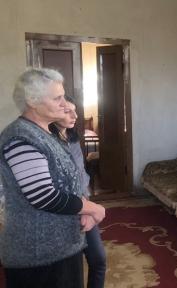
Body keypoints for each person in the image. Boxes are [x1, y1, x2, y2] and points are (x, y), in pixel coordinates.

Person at [0, 68, 106, 288]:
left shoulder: (46, 132)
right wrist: (92, 208)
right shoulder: (22, 137)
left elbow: (67, 181)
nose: (65, 104)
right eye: (57, 98)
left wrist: (84, 207)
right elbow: (44, 196)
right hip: (39, 255)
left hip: (60, 248)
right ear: (32, 100)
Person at [50, 99, 107, 288]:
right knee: (69, 272)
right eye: (68, 112)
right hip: (63, 211)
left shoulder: (72, 139)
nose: (74, 116)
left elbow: (81, 174)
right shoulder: (47, 142)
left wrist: (87, 205)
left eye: (75, 111)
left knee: (98, 259)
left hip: (84, 204)